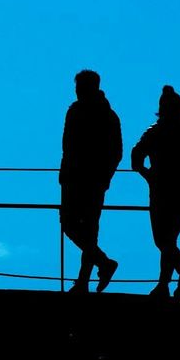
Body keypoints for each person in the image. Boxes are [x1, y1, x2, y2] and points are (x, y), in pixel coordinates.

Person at [130, 86, 180, 299]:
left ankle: (179, 276)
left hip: (162, 191)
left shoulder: (156, 130)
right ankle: (167, 282)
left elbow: (136, 155)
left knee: (164, 239)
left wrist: (148, 174)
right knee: (168, 239)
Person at [60, 69, 122, 294]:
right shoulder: (102, 114)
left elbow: (116, 151)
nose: (77, 92)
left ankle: (89, 276)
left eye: (80, 88)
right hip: (81, 179)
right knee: (84, 229)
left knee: (76, 226)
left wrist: (103, 176)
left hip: (84, 179)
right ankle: (95, 270)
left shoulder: (99, 115)